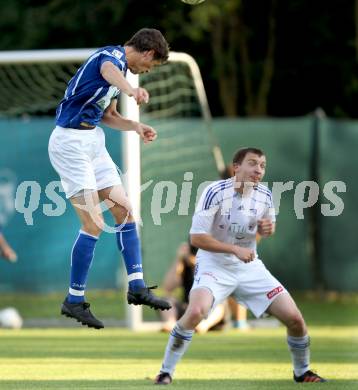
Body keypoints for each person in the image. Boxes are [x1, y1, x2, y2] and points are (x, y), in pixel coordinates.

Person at [155, 147, 326, 384]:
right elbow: (196, 238)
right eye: (253, 163)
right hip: (213, 265)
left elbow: (264, 230)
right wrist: (235, 249)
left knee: (295, 319)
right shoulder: (213, 192)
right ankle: (166, 371)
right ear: (236, 167)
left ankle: (302, 371)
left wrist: (266, 230)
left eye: (263, 165)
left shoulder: (265, 195)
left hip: (249, 267)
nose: (259, 170)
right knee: (195, 312)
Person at [48, 28, 171, 330]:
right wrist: (131, 90)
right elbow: (107, 69)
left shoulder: (118, 74)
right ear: (148, 53)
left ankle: (137, 286)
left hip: (93, 141)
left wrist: (135, 126)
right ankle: (74, 300)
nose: (146, 71)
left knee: (126, 212)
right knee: (92, 224)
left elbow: (107, 115)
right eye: (151, 66)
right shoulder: (110, 57)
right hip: (69, 143)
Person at [159, 241, 227, 334]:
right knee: (166, 300)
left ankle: (202, 326)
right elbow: (168, 288)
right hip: (187, 309)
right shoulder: (184, 264)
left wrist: (195, 262)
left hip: (207, 311)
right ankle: (170, 323)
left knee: (219, 305)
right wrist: (179, 259)